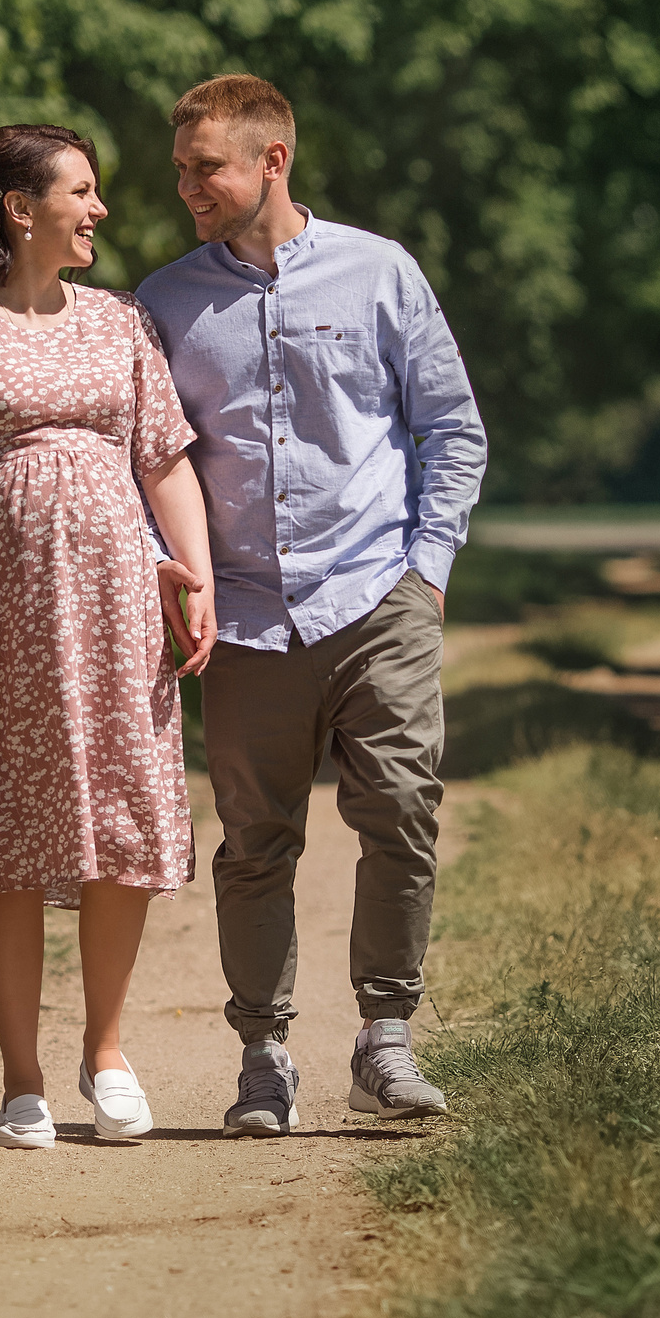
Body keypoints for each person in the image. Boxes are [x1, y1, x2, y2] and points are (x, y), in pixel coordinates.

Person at [135, 74, 486, 1137]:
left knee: (401, 812)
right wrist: (168, 570)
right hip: (240, 618)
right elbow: (144, 459)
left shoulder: (380, 273)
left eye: (209, 167)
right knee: (253, 843)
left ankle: (386, 1042)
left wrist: (426, 573)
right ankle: (264, 1058)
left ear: (272, 161)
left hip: (378, 595)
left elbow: (452, 430)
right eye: (182, 168)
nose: (189, 187)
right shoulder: (161, 303)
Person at [0, 122, 220, 1150]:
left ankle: (106, 1049)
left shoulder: (118, 323)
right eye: (81, 191)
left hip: (115, 599)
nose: (100, 210)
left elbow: (163, 459)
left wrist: (191, 573)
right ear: (20, 209)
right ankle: (21, 1079)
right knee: (9, 825)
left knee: (117, 809)